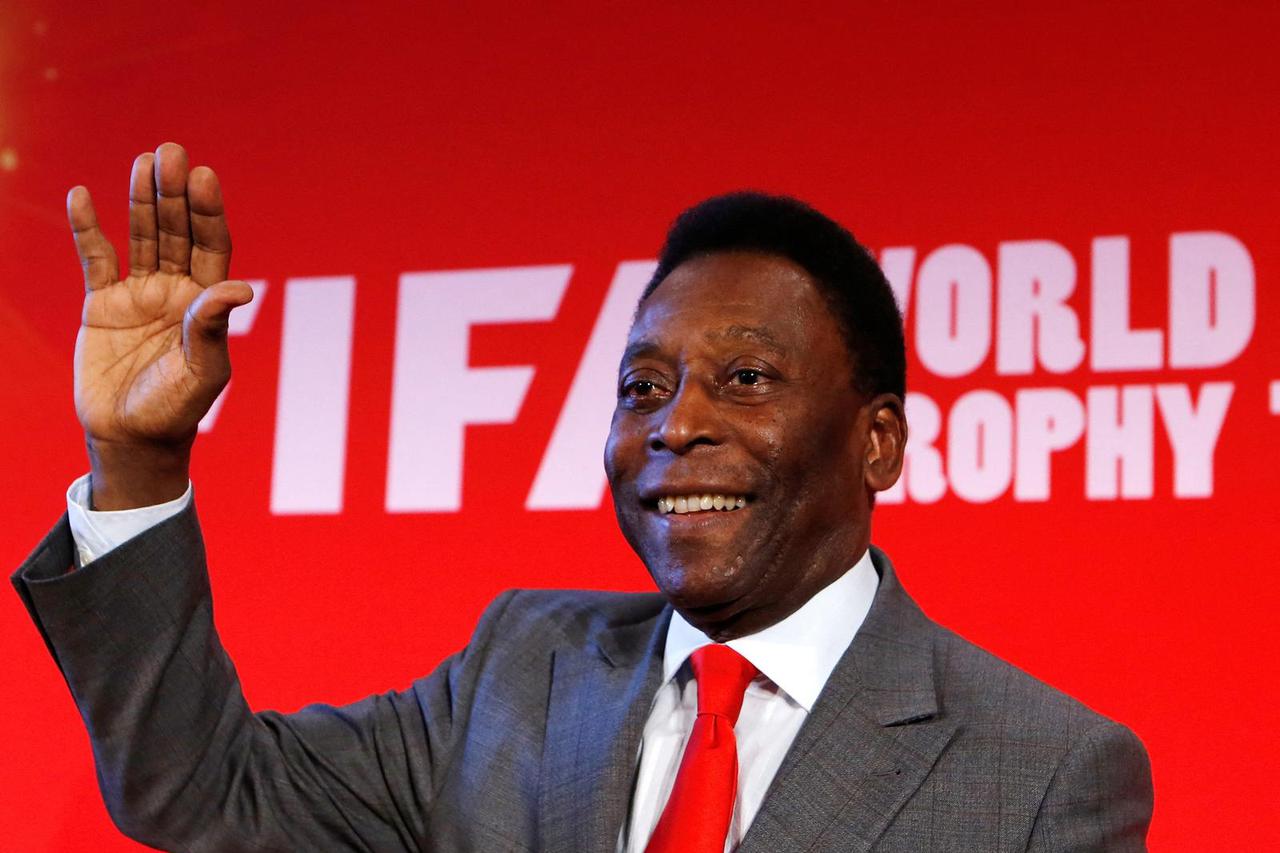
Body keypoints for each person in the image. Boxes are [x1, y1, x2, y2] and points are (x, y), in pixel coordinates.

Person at [12, 143, 1153, 852]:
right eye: (641, 385)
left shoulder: (1042, 770)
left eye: (743, 378)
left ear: (877, 441)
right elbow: (203, 791)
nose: (675, 422)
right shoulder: (522, 667)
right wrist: (141, 462)